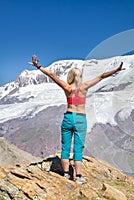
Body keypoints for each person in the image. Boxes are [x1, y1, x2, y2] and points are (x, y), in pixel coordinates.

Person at [28, 55, 124, 184]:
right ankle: (78, 176)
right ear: (79, 77)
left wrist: (38, 66)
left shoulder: (67, 88)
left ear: (70, 76)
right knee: (78, 149)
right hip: (80, 119)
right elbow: (102, 76)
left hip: (68, 117)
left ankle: (66, 174)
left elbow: (51, 75)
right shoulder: (84, 87)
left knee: (65, 147)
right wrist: (116, 70)